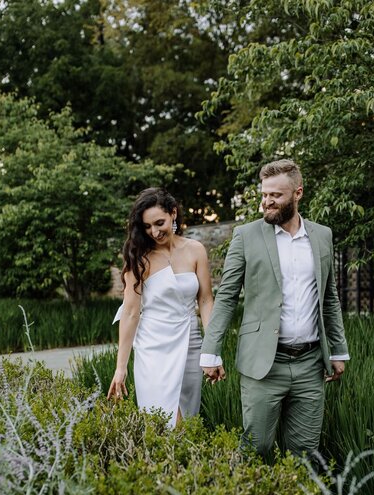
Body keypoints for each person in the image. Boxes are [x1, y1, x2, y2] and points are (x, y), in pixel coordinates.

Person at [200, 159, 349, 461]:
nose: (267, 202)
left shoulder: (322, 236)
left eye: (276, 196)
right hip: (263, 365)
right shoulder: (246, 235)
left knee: (305, 453)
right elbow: (226, 296)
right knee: (256, 448)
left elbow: (329, 297)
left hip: (310, 365)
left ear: (298, 193)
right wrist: (210, 351)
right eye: (265, 194)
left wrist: (338, 350)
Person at [107, 187, 214, 428]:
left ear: (173, 213)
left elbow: (206, 300)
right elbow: (131, 312)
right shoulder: (139, 258)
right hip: (153, 347)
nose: (154, 232)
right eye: (147, 226)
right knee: (166, 421)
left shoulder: (195, 250)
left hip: (190, 341)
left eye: (159, 222)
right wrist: (120, 367)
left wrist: (212, 348)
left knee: (188, 419)